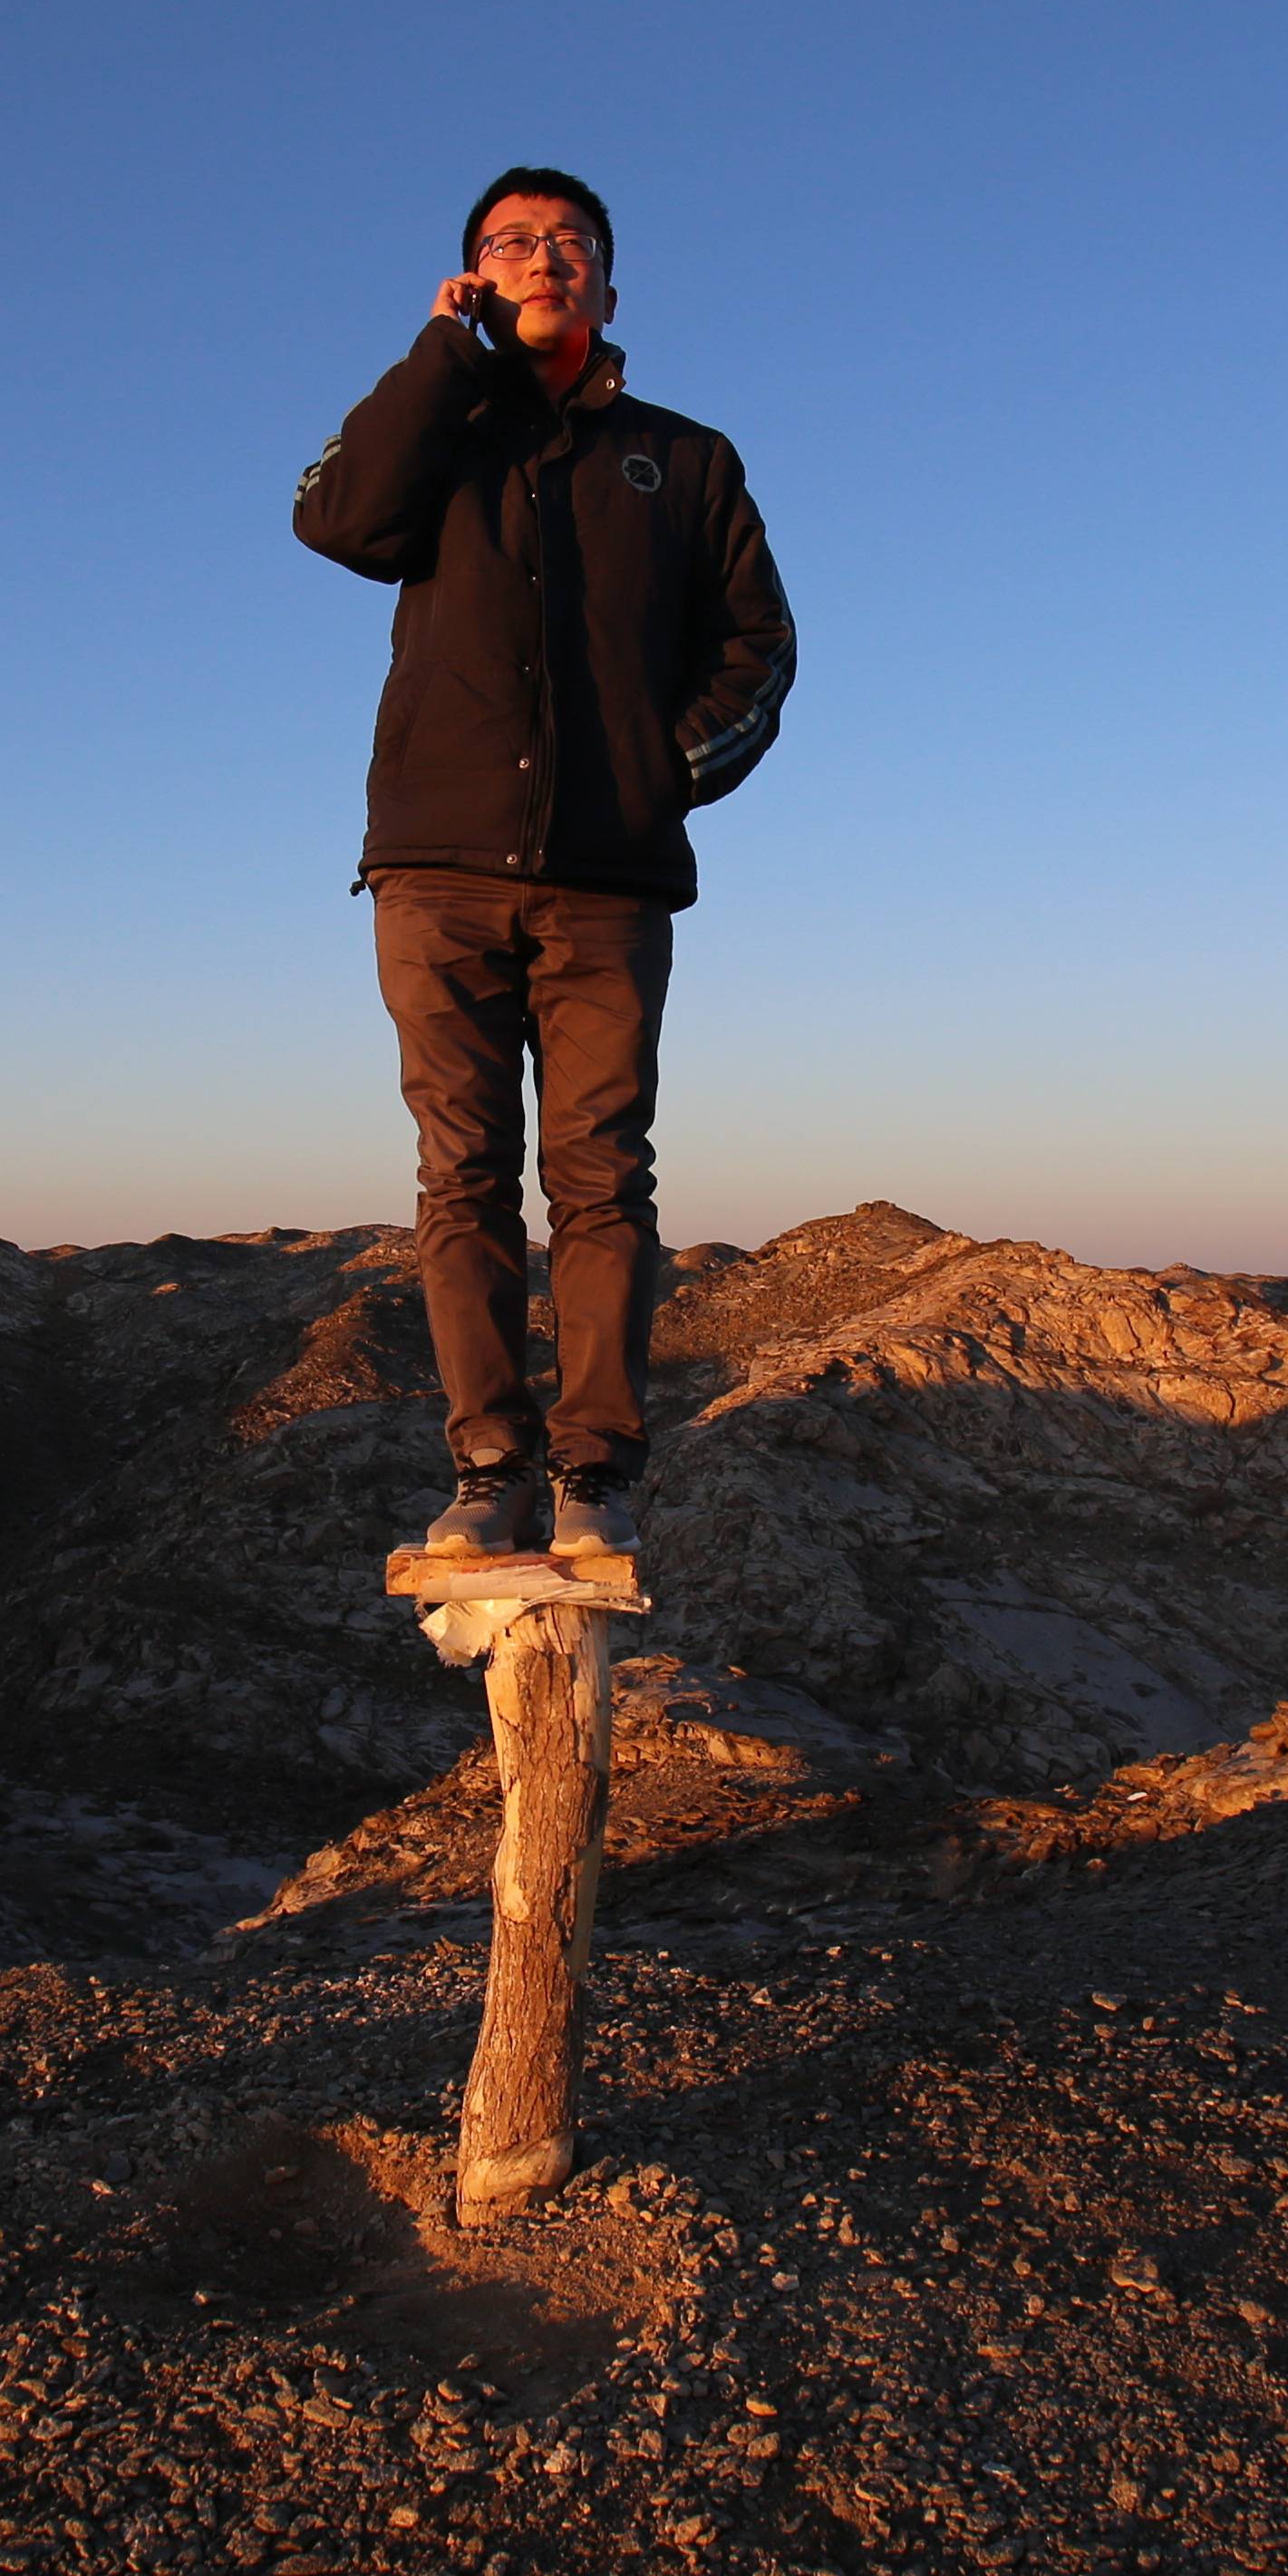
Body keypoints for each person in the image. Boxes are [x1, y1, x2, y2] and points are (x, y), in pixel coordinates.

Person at [293, 165, 796, 1562]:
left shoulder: (685, 458)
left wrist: (654, 778)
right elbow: (333, 520)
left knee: (602, 1175)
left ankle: (596, 1473)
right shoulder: (433, 431)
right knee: (461, 1177)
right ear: (474, 276)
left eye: (572, 243)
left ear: (610, 288)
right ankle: (488, 1464)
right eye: (515, 243)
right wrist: (441, 359)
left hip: (606, 877)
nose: (546, 257)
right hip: (437, 868)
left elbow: (761, 647)